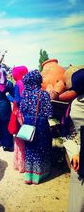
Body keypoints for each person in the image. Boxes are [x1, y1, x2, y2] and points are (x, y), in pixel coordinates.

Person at [19, 69, 53, 184]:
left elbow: (22, 110)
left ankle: (29, 177)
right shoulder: (44, 94)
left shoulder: (25, 93)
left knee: (30, 148)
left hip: (28, 123)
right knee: (41, 148)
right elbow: (50, 112)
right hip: (41, 124)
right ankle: (38, 177)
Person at [63, 68, 84, 212]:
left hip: (79, 156)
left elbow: (70, 132)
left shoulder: (76, 105)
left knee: (78, 198)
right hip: (80, 156)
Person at [7, 65, 28, 172]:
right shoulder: (26, 83)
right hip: (26, 113)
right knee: (26, 138)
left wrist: (8, 97)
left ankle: (20, 165)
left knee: (19, 138)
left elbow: (17, 101)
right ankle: (27, 164)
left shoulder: (18, 84)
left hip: (18, 113)